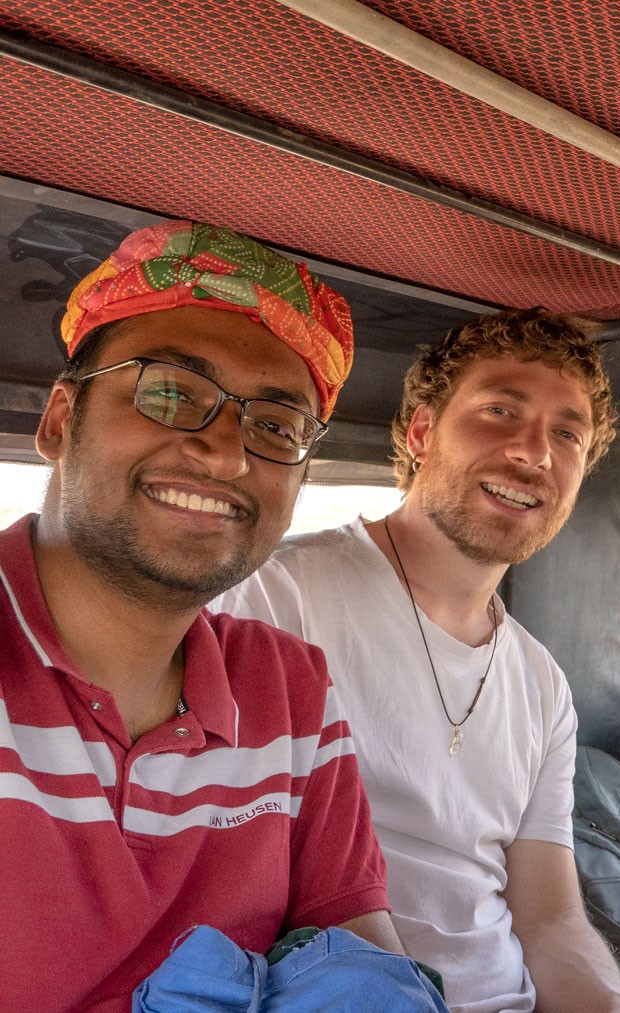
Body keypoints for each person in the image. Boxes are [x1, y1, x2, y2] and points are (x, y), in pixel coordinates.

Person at [0, 220, 402, 1010]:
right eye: (171, 392)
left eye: (276, 427)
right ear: (58, 420)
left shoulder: (288, 688)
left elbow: (361, 957)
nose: (226, 453)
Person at [215, 309, 620, 1013]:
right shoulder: (281, 594)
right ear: (421, 432)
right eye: (500, 410)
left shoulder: (542, 685)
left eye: (566, 433)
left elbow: (550, 920)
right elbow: (228, 876)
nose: (533, 451)